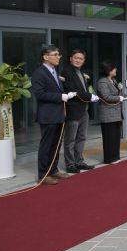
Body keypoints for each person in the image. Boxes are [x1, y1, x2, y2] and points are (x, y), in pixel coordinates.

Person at [30, 45, 72, 185]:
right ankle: (43, 174)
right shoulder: (39, 73)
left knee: (56, 144)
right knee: (46, 145)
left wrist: (64, 95)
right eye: (55, 54)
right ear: (45, 57)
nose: (58, 57)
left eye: (58, 54)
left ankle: (53, 169)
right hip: (48, 115)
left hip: (58, 114)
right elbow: (39, 94)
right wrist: (60, 97)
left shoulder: (54, 71)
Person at [60, 49, 98, 173]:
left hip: (84, 110)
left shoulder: (81, 72)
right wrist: (90, 96)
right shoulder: (66, 72)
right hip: (73, 110)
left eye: (81, 58)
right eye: (76, 58)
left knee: (81, 137)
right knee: (70, 139)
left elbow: (83, 89)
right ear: (70, 58)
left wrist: (90, 95)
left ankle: (79, 161)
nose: (78, 60)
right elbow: (72, 90)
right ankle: (70, 164)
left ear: (84, 60)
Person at [97, 61, 127, 164]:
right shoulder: (102, 82)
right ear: (108, 70)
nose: (116, 70)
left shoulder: (113, 80)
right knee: (109, 137)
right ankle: (109, 158)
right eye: (114, 68)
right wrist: (120, 98)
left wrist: (126, 96)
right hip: (108, 114)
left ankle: (116, 156)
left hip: (116, 113)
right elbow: (106, 97)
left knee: (115, 137)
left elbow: (119, 93)